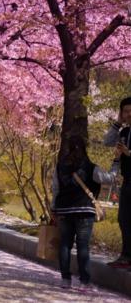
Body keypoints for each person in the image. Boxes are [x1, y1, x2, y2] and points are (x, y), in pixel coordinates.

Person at [52, 135, 119, 290]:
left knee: (65, 245)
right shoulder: (91, 167)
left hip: (65, 210)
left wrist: (53, 208)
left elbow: (55, 189)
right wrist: (116, 162)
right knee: (83, 246)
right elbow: (109, 178)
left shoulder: (60, 167)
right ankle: (84, 282)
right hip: (84, 211)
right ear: (84, 149)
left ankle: (65, 280)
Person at [103, 96, 131, 268]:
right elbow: (107, 142)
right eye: (125, 111)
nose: (129, 114)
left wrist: (129, 153)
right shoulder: (124, 132)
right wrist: (117, 123)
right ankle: (126, 256)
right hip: (127, 180)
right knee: (124, 219)